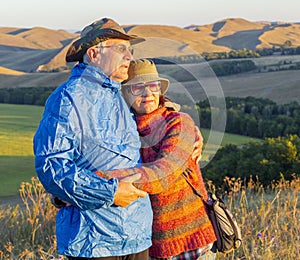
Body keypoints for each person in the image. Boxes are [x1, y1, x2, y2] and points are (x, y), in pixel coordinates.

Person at [33, 18, 153, 259]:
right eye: (121, 49)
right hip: (93, 241)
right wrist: (111, 193)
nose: (129, 57)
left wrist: (182, 125)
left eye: (130, 50)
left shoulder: (118, 95)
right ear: (94, 53)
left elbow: (150, 112)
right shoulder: (68, 99)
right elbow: (52, 167)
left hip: (137, 235)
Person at [94, 59, 217, 259]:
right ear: (124, 93)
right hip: (145, 244)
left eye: (153, 85)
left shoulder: (178, 122)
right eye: (138, 87)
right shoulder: (122, 130)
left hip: (189, 242)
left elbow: (161, 175)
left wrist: (90, 183)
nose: (148, 93)